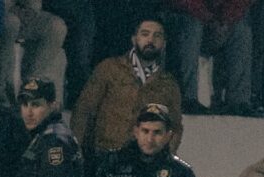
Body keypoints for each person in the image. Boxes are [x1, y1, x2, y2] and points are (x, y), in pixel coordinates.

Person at [72, 14, 184, 153]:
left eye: (157, 36)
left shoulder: (169, 83)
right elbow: (84, 111)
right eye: (145, 34)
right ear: (134, 39)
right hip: (106, 154)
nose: (151, 40)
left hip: (146, 161)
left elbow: (175, 127)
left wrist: (166, 158)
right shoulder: (109, 68)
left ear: (164, 43)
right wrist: (76, 152)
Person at [167, 0, 255, 115]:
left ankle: (238, 101)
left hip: (217, 22)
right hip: (187, 18)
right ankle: (187, 98)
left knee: (242, 30)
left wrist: (226, 20)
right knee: (192, 26)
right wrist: (209, 19)